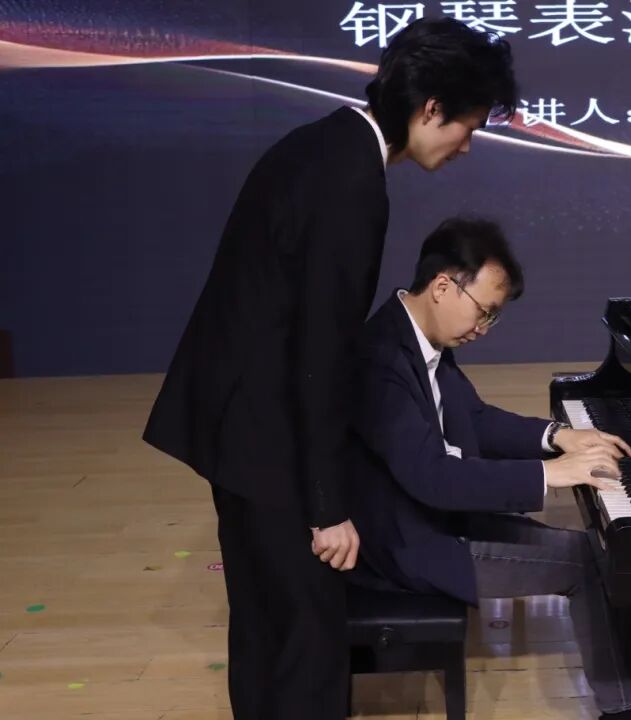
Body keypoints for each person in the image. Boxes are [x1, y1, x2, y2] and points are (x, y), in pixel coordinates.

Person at [142, 19, 518, 720]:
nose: (467, 144)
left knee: (264, 628)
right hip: (266, 436)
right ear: (430, 107)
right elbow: (321, 354)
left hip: (236, 423)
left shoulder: (323, 144)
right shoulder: (353, 183)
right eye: (467, 126)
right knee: (309, 642)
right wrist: (328, 510)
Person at [346, 217, 631, 720]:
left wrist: (556, 435)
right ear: (442, 286)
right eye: (484, 312)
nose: (482, 329)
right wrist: (552, 473)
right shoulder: (381, 360)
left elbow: (474, 418)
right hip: (412, 542)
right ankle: (623, 709)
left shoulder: (419, 335)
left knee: (594, 548)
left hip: (437, 519)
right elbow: (432, 477)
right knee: (583, 565)